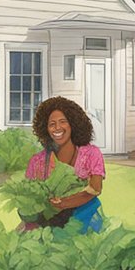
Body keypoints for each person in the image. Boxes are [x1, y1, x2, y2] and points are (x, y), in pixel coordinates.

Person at [25, 96, 105, 233]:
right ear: (45, 129)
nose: (57, 128)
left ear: (73, 124)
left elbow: (95, 188)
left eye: (63, 122)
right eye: (52, 124)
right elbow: (30, 197)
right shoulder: (37, 161)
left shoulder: (91, 154)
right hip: (46, 221)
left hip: (85, 217)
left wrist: (64, 203)